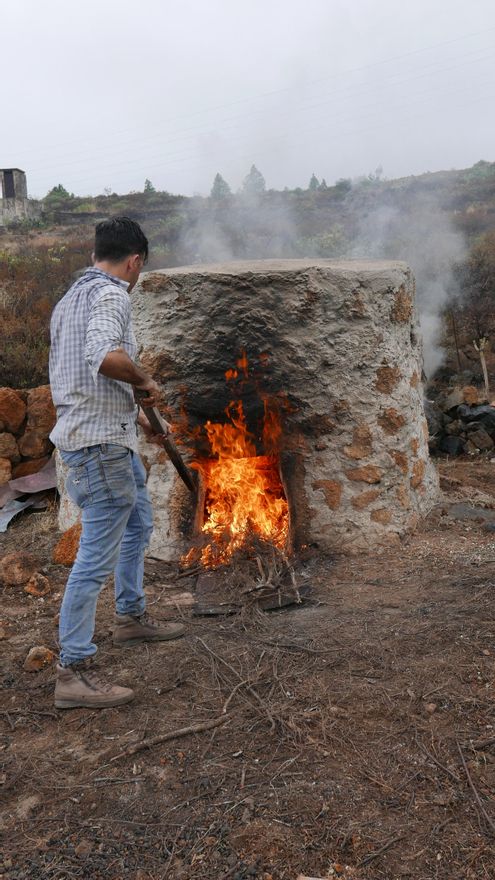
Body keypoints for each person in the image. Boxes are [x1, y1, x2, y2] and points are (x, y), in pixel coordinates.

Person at [49, 216, 184, 710]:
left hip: (102, 437)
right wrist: (145, 381)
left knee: (139, 521)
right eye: (139, 268)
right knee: (93, 558)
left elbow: (85, 373)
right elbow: (105, 356)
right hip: (99, 447)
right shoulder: (113, 296)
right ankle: (74, 669)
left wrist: (142, 415)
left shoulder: (70, 299)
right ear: (135, 262)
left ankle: (130, 618)